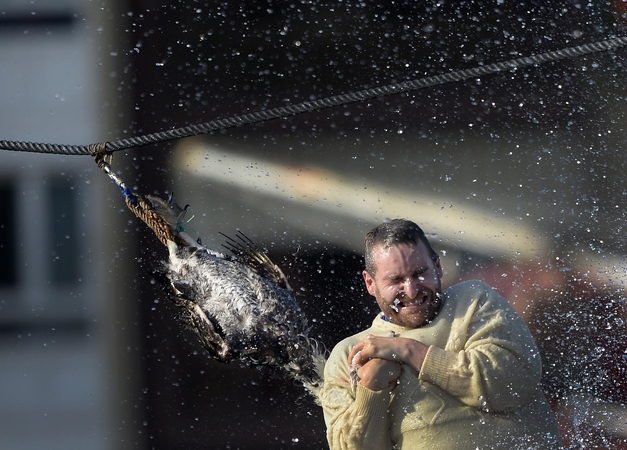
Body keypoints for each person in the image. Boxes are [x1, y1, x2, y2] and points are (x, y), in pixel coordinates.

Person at [319, 219, 562, 449]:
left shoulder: (474, 301)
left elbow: (511, 385)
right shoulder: (349, 356)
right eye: (396, 280)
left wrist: (410, 351)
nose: (412, 290)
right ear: (370, 283)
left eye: (419, 273)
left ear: (437, 266)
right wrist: (372, 386)